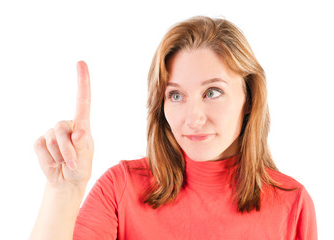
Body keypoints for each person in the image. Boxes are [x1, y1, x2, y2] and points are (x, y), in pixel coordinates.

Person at [30, 16, 317, 239]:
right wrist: (63, 191)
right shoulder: (121, 189)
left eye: (212, 92)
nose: (193, 118)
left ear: (249, 98)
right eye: (176, 95)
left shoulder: (292, 204)